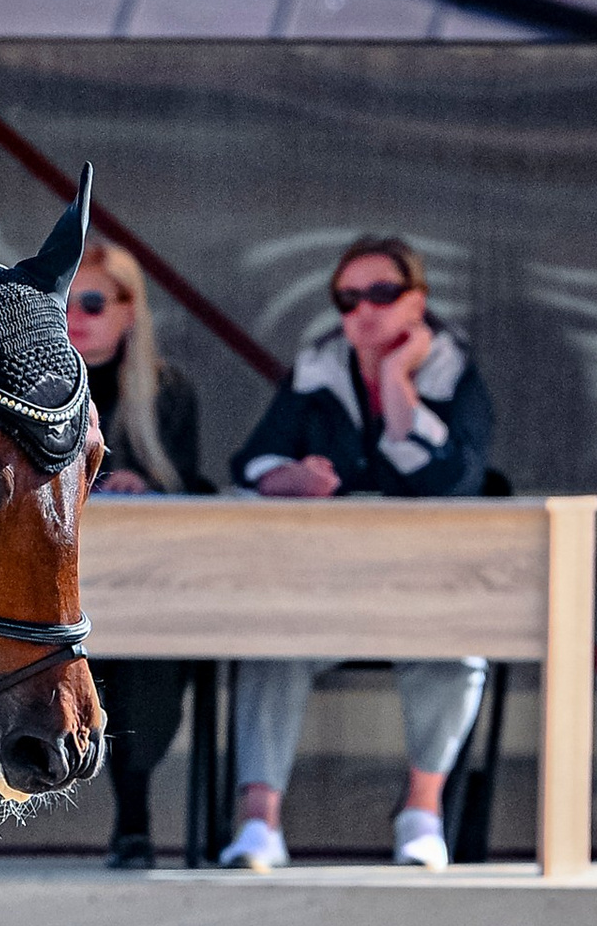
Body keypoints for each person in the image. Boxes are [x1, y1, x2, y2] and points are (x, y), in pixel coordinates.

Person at [219, 235, 494, 873]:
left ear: (417, 301)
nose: (363, 310)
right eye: (347, 297)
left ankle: (421, 813)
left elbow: (453, 479)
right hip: (324, 586)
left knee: (460, 651)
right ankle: (259, 823)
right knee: (268, 639)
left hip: (426, 588)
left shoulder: (455, 371)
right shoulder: (316, 369)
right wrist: (287, 479)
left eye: (382, 293)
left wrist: (397, 381)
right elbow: (252, 460)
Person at [67, 236, 209, 867]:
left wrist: (147, 486)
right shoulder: (32, 387)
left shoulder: (168, 392)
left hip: (142, 588)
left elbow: (188, 485)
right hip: (56, 589)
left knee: (146, 654)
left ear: (129, 309)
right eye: (62, 303)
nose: (74, 319)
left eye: (93, 303)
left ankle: (135, 817)